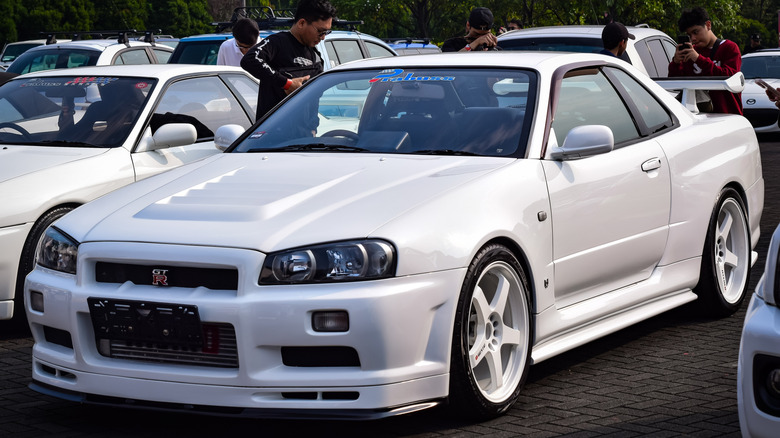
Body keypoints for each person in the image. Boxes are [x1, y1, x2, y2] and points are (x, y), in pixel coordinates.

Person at [241, 0, 335, 119]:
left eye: (326, 32)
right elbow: (249, 59)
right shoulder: (277, 43)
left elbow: (314, 99)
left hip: (303, 132)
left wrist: (313, 127)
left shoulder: (315, 55)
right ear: (301, 23)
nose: (323, 37)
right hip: (273, 130)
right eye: (320, 31)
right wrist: (286, 83)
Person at [668, 7, 742, 115]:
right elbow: (676, 85)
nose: (693, 38)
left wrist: (699, 59)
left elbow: (730, 77)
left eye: (696, 32)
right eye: (689, 35)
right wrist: (676, 62)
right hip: (700, 120)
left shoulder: (729, 48)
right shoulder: (691, 52)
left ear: (708, 25)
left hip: (728, 116)